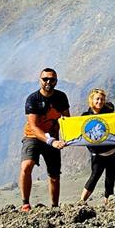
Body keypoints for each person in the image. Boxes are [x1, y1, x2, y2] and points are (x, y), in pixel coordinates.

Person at [19, 68, 70, 212]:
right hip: (33, 136)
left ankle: (54, 206)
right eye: (45, 79)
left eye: (52, 79)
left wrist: (70, 137)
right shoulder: (33, 99)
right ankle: (25, 203)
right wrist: (51, 141)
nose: (48, 82)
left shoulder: (61, 97)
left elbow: (66, 120)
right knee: (27, 165)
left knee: (54, 174)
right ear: (40, 80)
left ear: (56, 81)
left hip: (53, 137)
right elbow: (34, 127)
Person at [79, 88, 115, 203]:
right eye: (97, 99)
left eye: (102, 99)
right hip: (98, 155)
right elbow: (78, 130)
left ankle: (108, 205)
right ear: (92, 100)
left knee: (110, 181)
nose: (100, 101)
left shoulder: (109, 112)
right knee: (94, 178)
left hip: (114, 153)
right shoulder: (85, 116)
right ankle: (81, 202)